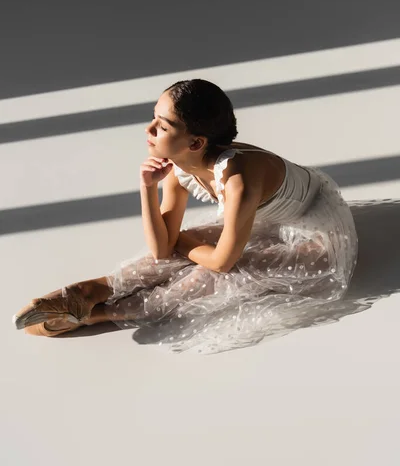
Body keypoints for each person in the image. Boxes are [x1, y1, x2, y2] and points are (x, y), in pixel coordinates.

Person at [13, 79, 358, 354]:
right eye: (153, 118)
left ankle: (100, 313)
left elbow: (222, 262)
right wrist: (147, 187)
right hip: (265, 220)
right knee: (176, 255)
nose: (148, 130)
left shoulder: (238, 181)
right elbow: (163, 248)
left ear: (195, 143)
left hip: (317, 234)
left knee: (216, 278)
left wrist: (181, 241)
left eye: (161, 126)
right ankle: (95, 289)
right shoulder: (182, 166)